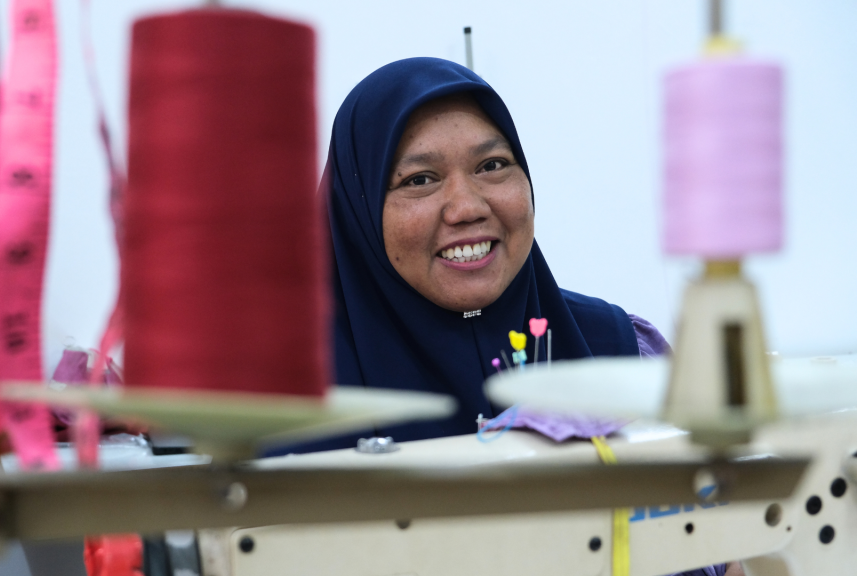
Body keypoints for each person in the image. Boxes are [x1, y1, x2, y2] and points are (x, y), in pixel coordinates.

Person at [280, 56, 738, 576]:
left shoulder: (622, 355)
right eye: (420, 179)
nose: (466, 206)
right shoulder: (286, 403)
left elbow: (722, 554)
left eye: (492, 166)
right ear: (356, 211)